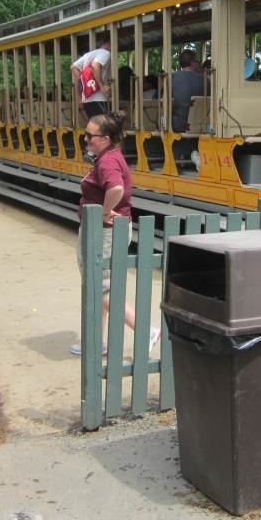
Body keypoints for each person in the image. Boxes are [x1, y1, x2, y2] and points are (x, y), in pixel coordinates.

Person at [71, 110, 160, 357]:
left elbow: (117, 187)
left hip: (105, 232)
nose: (86, 139)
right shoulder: (109, 156)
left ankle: (146, 331)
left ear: (106, 138)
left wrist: (103, 212)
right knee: (99, 286)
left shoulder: (108, 161)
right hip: (105, 231)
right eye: (85, 134)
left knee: (100, 287)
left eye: (90, 136)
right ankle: (96, 343)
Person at [70, 40, 112, 118]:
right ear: (109, 43)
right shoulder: (106, 53)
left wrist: (83, 81)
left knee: (93, 124)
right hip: (99, 97)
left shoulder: (88, 54)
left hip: (87, 98)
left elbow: (73, 67)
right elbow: (95, 66)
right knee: (101, 125)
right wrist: (102, 86)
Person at [171, 49, 206, 133]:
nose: (198, 64)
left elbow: (165, 102)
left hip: (177, 125)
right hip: (200, 124)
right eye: (198, 62)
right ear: (192, 62)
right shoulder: (204, 80)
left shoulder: (171, 78)